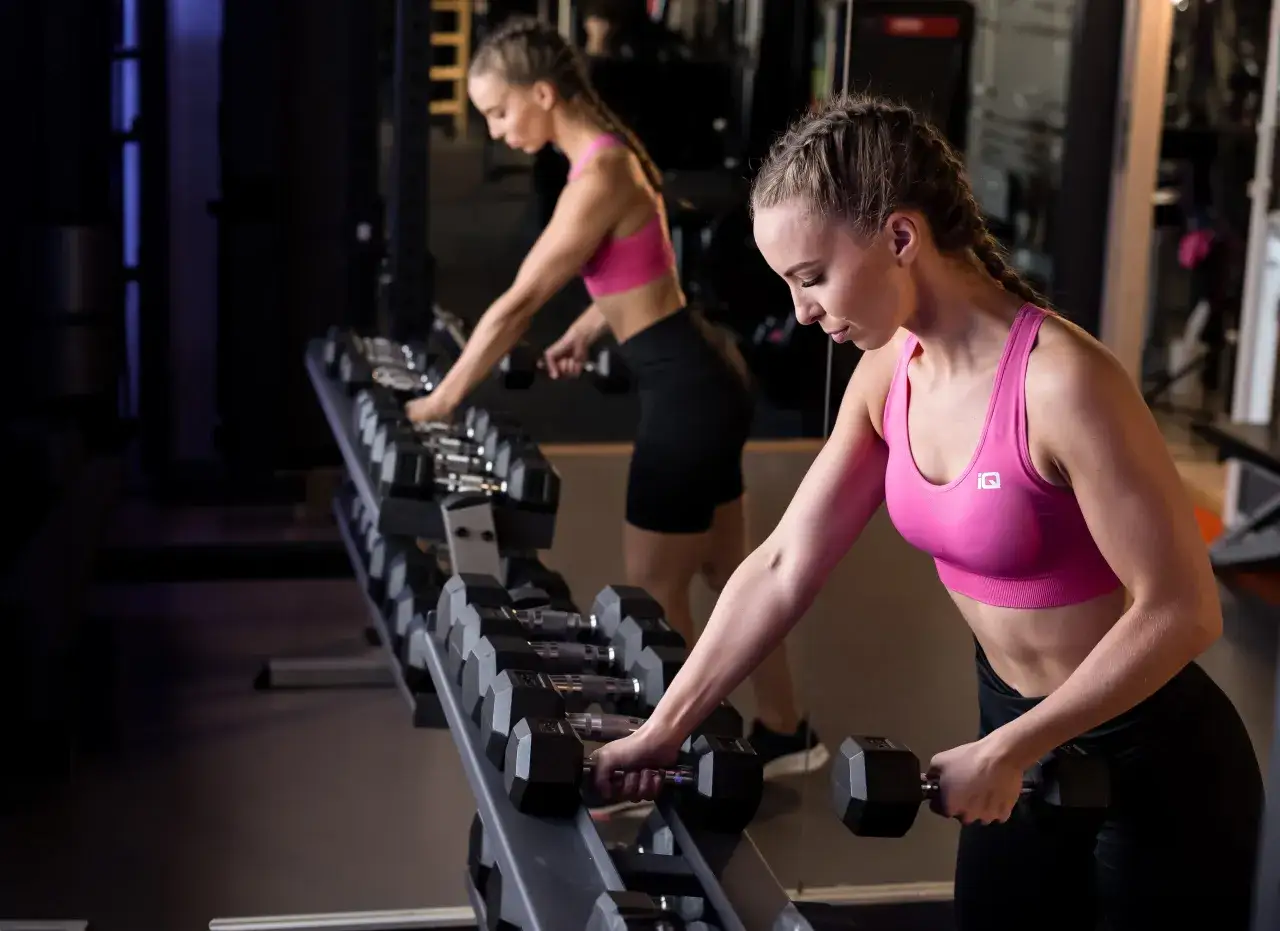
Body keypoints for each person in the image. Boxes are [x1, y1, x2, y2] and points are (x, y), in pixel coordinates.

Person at [591, 94, 1264, 929]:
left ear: (901, 238)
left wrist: (1013, 748)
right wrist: (663, 731)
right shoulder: (889, 374)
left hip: (1154, 761)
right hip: (1012, 738)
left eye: (811, 278)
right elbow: (782, 563)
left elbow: (1184, 610)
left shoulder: (1062, 382)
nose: (800, 312)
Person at [404, 16, 826, 781]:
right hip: (701, 377)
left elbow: (517, 303)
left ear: (541, 93)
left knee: (654, 591)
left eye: (500, 113)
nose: (497, 133)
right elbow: (643, 267)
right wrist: (591, 330)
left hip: (686, 396)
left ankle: (686, 752)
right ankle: (786, 729)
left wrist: (441, 401)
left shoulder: (597, 173)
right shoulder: (609, 158)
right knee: (736, 579)